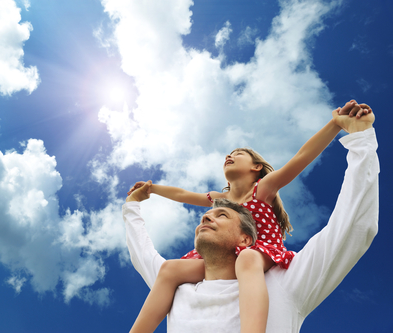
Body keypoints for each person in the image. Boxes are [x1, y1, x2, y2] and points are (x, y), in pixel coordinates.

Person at [123, 106, 378, 333]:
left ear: (256, 167)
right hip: (226, 257)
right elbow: (182, 194)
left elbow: (301, 157)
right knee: (169, 269)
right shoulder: (218, 199)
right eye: (228, 155)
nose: (229, 156)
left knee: (246, 259)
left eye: (237, 154)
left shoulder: (263, 189)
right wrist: (152, 189)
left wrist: (334, 125)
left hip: (258, 251)